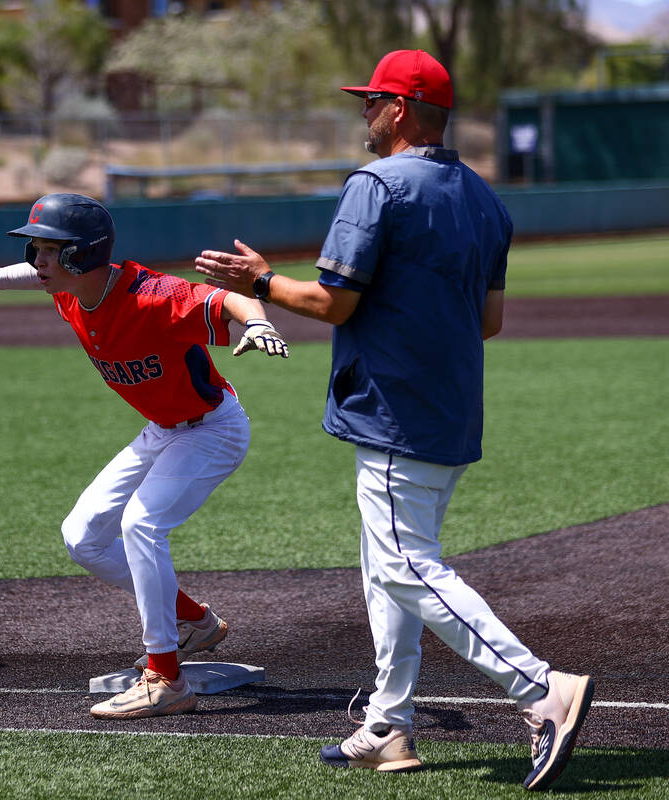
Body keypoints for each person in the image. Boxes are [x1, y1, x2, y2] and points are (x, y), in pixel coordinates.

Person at [194, 49, 593, 790]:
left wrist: (260, 281)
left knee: (407, 567)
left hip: (392, 409)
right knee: (391, 570)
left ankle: (541, 690)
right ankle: (388, 724)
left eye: (372, 99)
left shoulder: (376, 185)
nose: (363, 112)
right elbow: (490, 321)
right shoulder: (485, 200)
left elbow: (331, 303)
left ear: (402, 109)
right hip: (448, 407)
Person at [0, 193, 289, 719]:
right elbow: (22, 274)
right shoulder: (69, 290)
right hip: (161, 430)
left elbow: (225, 302)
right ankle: (196, 622)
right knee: (83, 537)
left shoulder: (151, 295)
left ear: (82, 255)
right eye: (35, 248)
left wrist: (259, 322)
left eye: (48, 249)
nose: (37, 259)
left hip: (212, 431)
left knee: (142, 525)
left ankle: (165, 677)